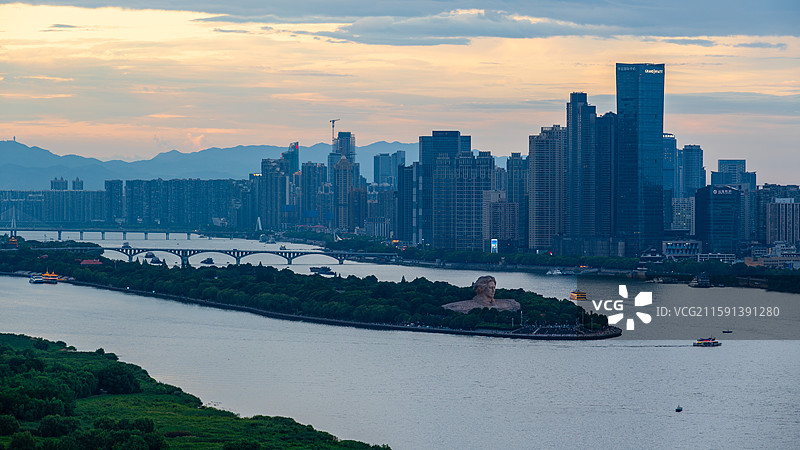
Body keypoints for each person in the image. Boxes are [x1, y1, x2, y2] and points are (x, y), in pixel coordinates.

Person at [442, 276, 520, 313]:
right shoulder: (457, 307)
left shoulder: (510, 303)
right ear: (482, 289)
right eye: (490, 288)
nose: (493, 290)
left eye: (494, 287)